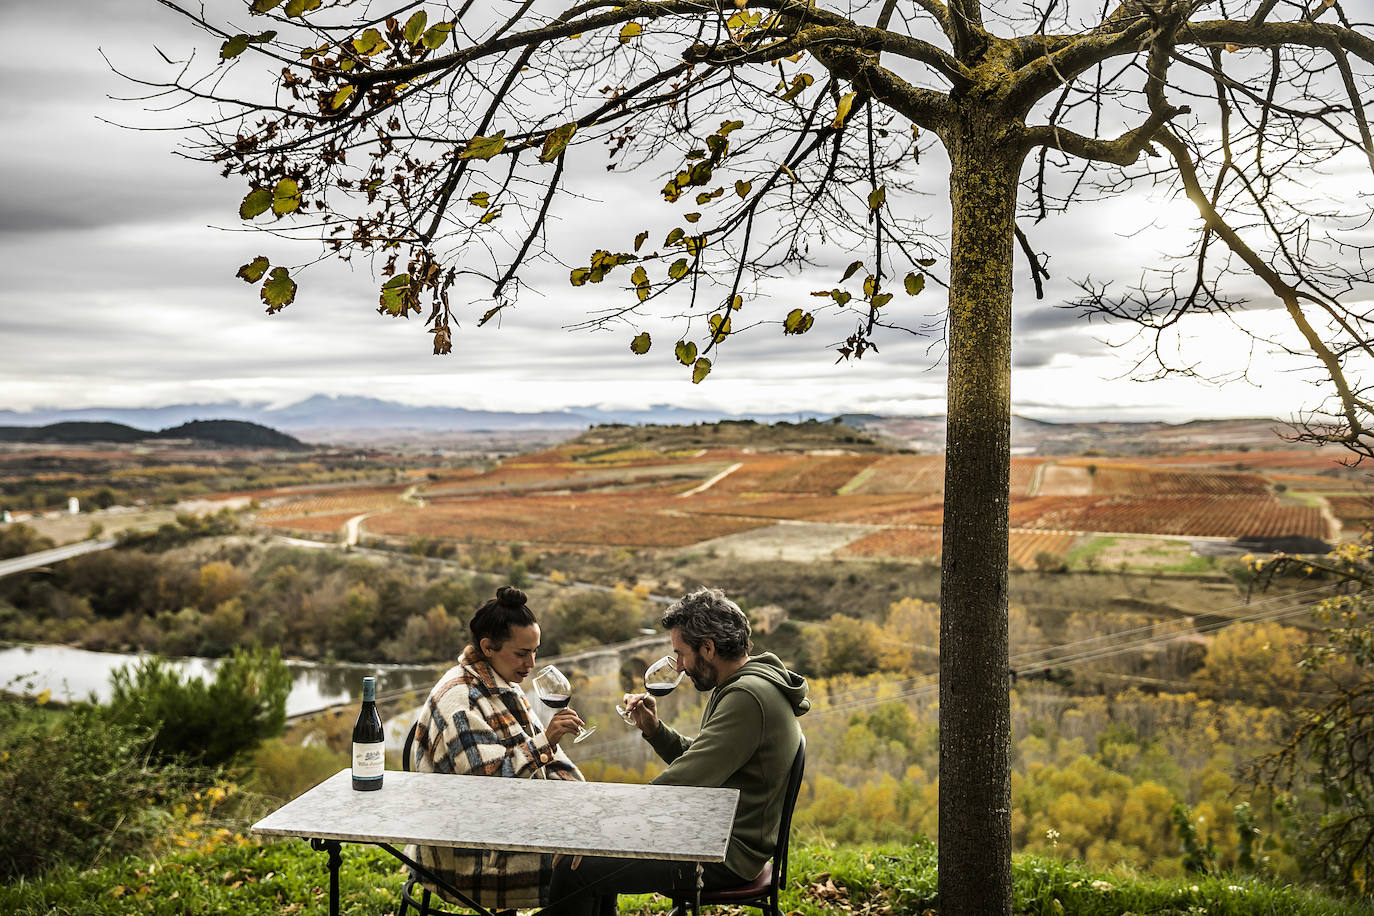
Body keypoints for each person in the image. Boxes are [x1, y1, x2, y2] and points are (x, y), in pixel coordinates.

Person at [543, 586, 809, 916]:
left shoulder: (747, 697)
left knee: (575, 864)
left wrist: (603, 823)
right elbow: (702, 759)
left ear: (708, 648)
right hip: (716, 832)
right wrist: (654, 730)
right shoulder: (741, 684)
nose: (679, 666)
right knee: (586, 858)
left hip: (725, 852)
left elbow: (686, 780)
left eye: (681, 654)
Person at [406, 585, 586, 911]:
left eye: (535, 651)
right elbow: (485, 785)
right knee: (588, 868)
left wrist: (581, 809)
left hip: (505, 823)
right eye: (522, 653)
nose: (531, 663)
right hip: (467, 852)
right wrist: (546, 741)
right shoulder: (460, 699)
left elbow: (549, 761)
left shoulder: (503, 684)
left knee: (592, 849)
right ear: (488, 647)